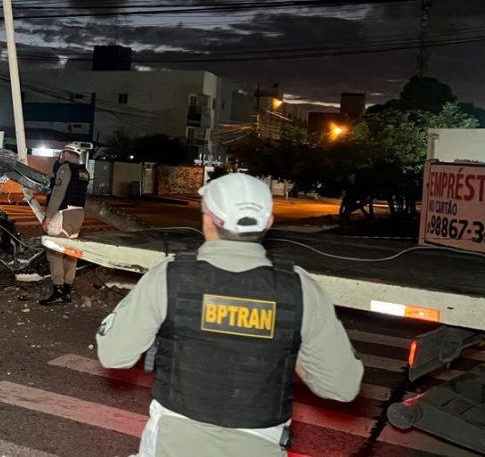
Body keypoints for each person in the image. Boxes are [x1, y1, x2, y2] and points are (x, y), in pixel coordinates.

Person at [94, 173, 363, 457]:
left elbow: (114, 355)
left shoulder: (170, 276)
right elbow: (342, 386)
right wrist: (285, 346)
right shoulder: (300, 288)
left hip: (174, 441)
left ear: (208, 219)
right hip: (261, 444)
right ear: (269, 222)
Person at [39, 143, 90, 306]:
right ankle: (67, 290)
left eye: (62, 153)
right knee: (71, 253)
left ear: (67, 153)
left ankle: (58, 290)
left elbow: (58, 193)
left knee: (54, 253)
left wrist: (48, 216)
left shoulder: (65, 169)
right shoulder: (83, 171)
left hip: (64, 214)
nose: (61, 156)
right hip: (78, 214)